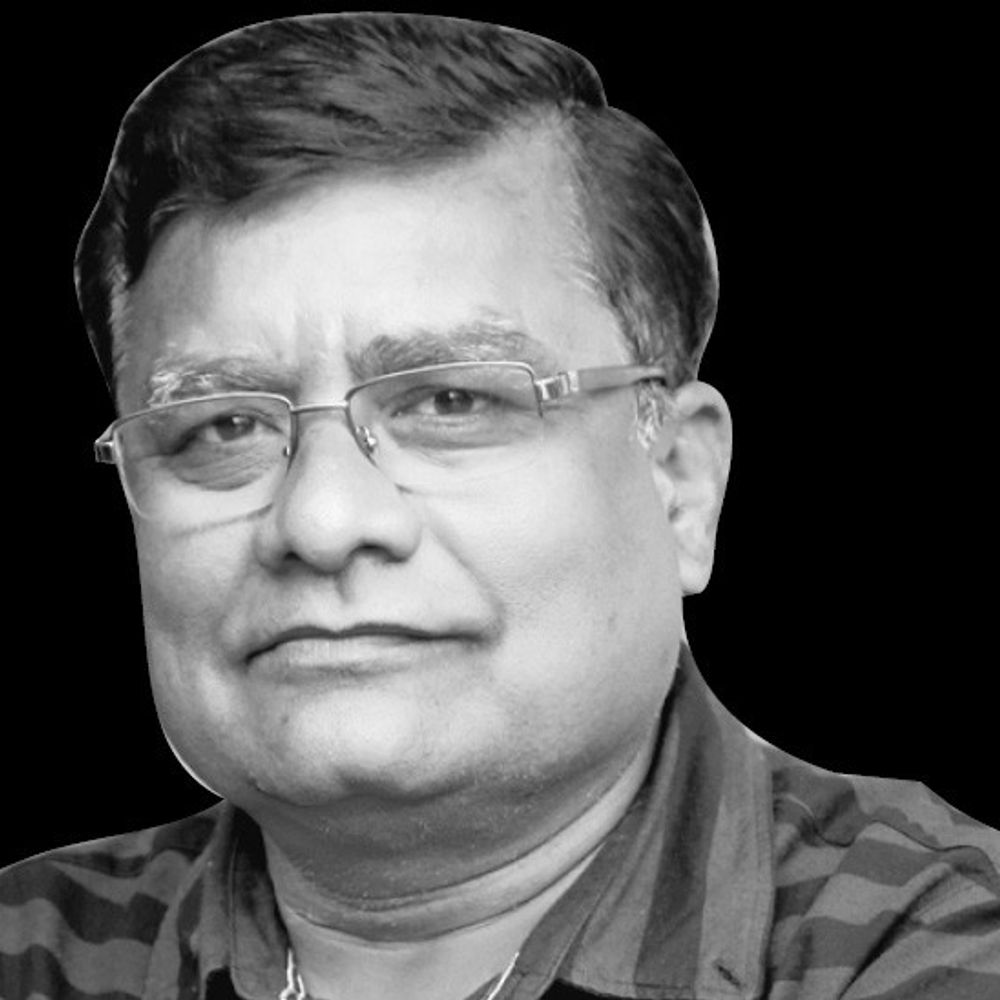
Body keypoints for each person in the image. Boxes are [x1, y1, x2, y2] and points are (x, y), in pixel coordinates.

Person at [2, 12, 997, 999]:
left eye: (451, 403)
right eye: (223, 427)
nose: (322, 521)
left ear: (681, 483)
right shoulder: (28, 947)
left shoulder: (936, 943)